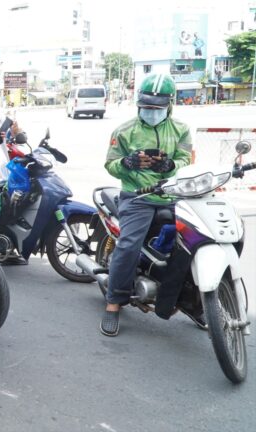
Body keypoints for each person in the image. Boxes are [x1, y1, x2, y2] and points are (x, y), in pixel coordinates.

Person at [100, 74, 193, 337]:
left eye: (157, 108)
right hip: (137, 197)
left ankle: (188, 299)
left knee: (192, 242)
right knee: (128, 246)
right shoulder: (124, 131)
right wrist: (126, 163)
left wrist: (173, 165)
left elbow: (186, 158)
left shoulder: (181, 130)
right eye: (147, 107)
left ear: (169, 105)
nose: (151, 112)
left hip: (172, 195)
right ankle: (114, 302)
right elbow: (110, 165)